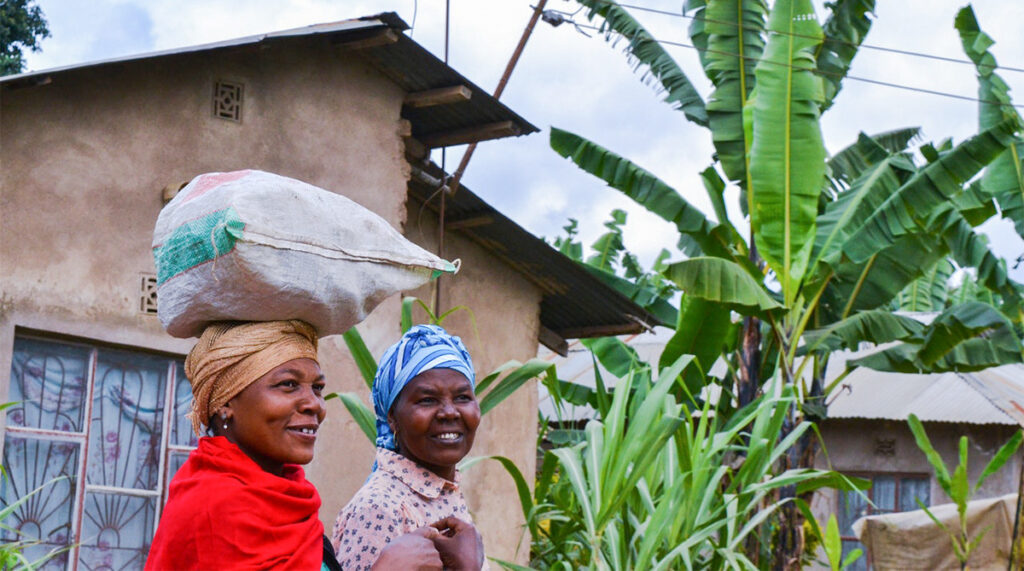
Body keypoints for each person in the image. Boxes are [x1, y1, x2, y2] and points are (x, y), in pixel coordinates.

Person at [145, 320, 453, 570]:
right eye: (288, 385)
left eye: (317, 388)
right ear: (226, 401)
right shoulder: (215, 506)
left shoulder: (288, 500)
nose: (314, 405)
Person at [331, 324, 487, 570]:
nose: (449, 412)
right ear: (392, 416)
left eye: (462, 397)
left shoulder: (443, 491)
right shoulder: (381, 507)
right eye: (427, 400)